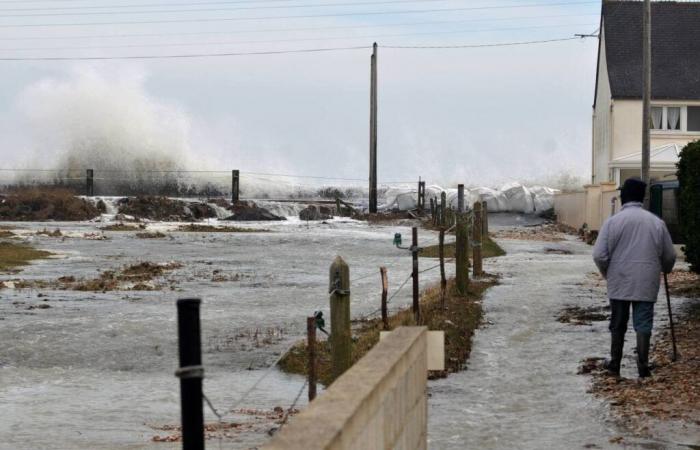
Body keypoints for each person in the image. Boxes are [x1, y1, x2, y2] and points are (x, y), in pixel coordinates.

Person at [592, 178, 676, 378]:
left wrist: (607, 273)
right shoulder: (657, 223)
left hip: (619, 279)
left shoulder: (612, 222)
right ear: (642, 198)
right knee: (643, 323)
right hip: (647, 280)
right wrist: (665, 268)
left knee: (618, 323)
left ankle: (615, 364)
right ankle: (643, 366)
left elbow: (599, 255)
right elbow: (670, 256)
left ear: (623, 197)